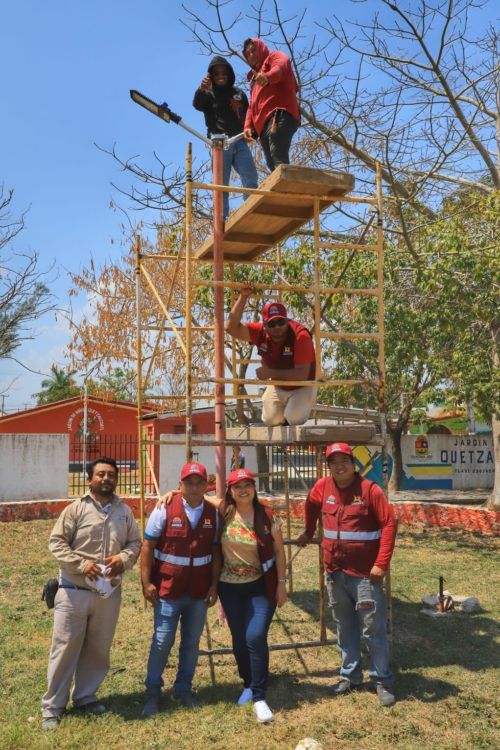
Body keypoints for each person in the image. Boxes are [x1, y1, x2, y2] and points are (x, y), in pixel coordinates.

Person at [41, 457, 141, 731]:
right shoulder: (76, 509)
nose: (106, 478)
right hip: (74, 591)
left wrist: (124, 557)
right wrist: (81, 563)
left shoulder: (124, 512)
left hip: (107, 595)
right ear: (90, 479)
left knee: (98, 650)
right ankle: (53, 707)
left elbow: (135, 542)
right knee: (64, 650)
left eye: (111, 474)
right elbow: (56, 542)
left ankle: (85, 697)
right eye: (100, 474)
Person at [297, 443, 397, 707]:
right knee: (344, 626)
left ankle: (382, 680)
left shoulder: (369, 490)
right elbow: (310, 505)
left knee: (372, 628)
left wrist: (382, 563)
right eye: (333, 461)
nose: (339, 466)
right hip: (335, 573)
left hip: (365, 575)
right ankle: (351, 676)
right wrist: (308, 532)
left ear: (353, 464)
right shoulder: (322, 487)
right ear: (327, 466)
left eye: (344, 460)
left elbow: (389, 523)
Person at [141, 461, 220, 717]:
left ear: (207, 485)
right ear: (180, 484)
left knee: (191, 643)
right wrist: (146, 582)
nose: (194, 487)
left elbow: (216, 551)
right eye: (189, 482)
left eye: (199, 482)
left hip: (198, 591)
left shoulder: (213, 513)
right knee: (162, 641)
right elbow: (148, 546)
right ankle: (153, 691)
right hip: (168, 589)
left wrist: (214, 585)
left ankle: (183, 688)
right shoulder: (165, 508)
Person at [217, 468, 287, 723]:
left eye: (248, 485)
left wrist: (281, 584)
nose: (243, 490)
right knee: (238, 638)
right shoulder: (223, 512)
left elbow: (279, 551)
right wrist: (170, 493)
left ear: (254, 488)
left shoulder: (267, 515)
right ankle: (247, 682)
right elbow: (196, 497)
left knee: (255, 635)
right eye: (237, 486)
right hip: (229, 587)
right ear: (230, 491)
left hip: (260, 585)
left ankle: (259, 696)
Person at [225, 284, 317, 426]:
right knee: (270, 420)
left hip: (302, 386)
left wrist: (269, 372)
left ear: (287, 321)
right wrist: (243, 297)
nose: (277, 327)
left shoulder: (300, 335)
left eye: (281, 322)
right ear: (265, 325)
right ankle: (282, 417)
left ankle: (291, 417)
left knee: (294, 420)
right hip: (278, 386)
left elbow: (302, 375)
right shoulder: (259, 332)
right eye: (272, 324)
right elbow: (230, 328)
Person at [193, 55, 258, 221]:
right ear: (211, 76)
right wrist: (201, 89)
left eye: (223, 72)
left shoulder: (238, 93)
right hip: (220, 142)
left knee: (250, 176)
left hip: (239, 139)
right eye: (216, 73)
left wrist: (254, 131)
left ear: (229, 74)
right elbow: (197, 105)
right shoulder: (207, 93)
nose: (220, 76)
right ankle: (221, 219)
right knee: (221, 184)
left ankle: (251, 212)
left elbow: (249, 114)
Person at [242, 38, 300, 172]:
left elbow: (281, 67)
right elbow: (252, 106)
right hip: (263, 125)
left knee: (278, 155)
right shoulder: (254, 81)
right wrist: (248, 126)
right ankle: (283, 191)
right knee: (271, 163)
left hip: (280, 114)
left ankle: (287, 189)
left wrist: (267, 77)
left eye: (253, 50)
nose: (251, 55)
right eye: (247, 54)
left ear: (260, 48)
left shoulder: (274, 56)